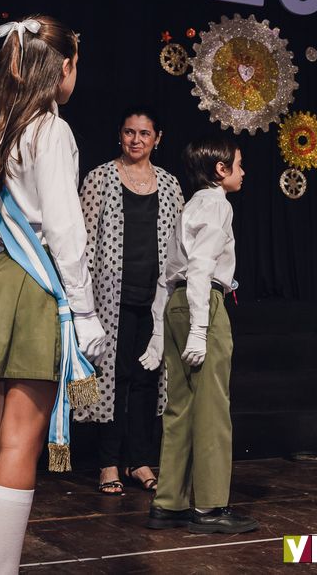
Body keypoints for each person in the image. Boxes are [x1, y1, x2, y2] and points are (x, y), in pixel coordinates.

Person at [0, 16, 106, 573]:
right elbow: (63, 229)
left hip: (1, 279)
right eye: (76, 64)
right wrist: (84, 311)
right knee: (20, 444)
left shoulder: (1, 128)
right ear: (62, 68)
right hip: (36, 284)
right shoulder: (51, 131)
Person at [140, 136, 257, 534]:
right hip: (201, 302)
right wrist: (200, 329)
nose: (243, 172)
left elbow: (168, 273)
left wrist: (160, 333)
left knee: (180, 408)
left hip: (178, 303)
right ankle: (208, 506)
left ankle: (169, 502)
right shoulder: (217, 205)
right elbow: (201, 267)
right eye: (238, 164)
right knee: (211, 408)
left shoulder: (191, 204)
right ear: (221, 170)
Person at [76, 107, 184, 495]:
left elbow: (179, 246)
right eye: (129, 132)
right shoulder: (100, 178)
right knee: (112, 379)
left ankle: (139, 460)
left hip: (154, 300)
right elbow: (84, 242)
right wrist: (82, 301)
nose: (136, 140)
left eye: (144, 133)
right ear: (119, 135)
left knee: (146, 380)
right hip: (109, 301)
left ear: (157, 138)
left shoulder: (170, 184)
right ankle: (108, 463)